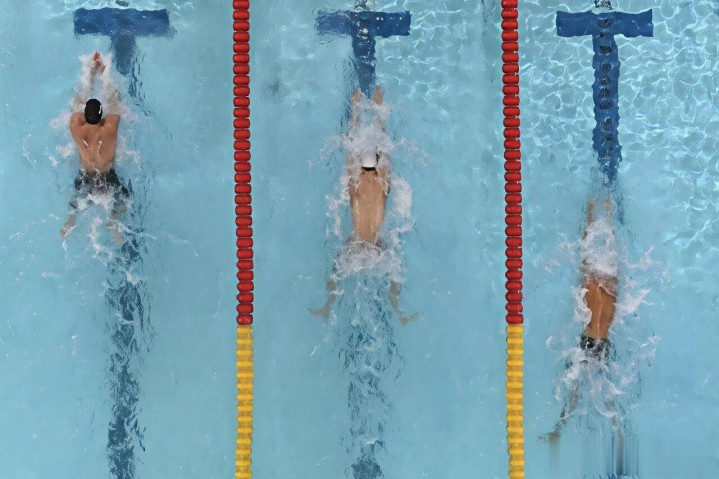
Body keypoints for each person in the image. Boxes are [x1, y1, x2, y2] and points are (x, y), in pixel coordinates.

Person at [310, 86, 416, 324]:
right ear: (377, 167)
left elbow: (350, 146)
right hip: (377, 246)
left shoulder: (354, 188)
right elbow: (384, 148)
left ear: (360, 167)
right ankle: (397, 310)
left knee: (336, 269)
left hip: (355, 244)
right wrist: (379, 112)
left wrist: (356, 111)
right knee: (395, 271)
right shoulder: (383, 186)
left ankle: (327, 306)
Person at [541, 197, 620, 442]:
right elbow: (612, 254)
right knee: (608, 393)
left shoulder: (589, 283)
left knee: (574, 390)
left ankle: (558, 430)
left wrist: (588, 214)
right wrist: (609, 216)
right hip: (604, 344)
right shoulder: (612, 290)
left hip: (586, 343)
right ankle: (619, 435)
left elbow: (584, 250)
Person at [61, 52, 128, 244]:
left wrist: (90, 73)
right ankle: (113, 221)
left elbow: (79, 100)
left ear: (85, 115)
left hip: (86, 177)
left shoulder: (75, 126)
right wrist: (104, 72)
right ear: (101, 116)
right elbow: (114, 98)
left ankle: (70, 222)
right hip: (107, 177)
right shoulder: (110, 128)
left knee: (75, 202)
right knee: (124, 200)